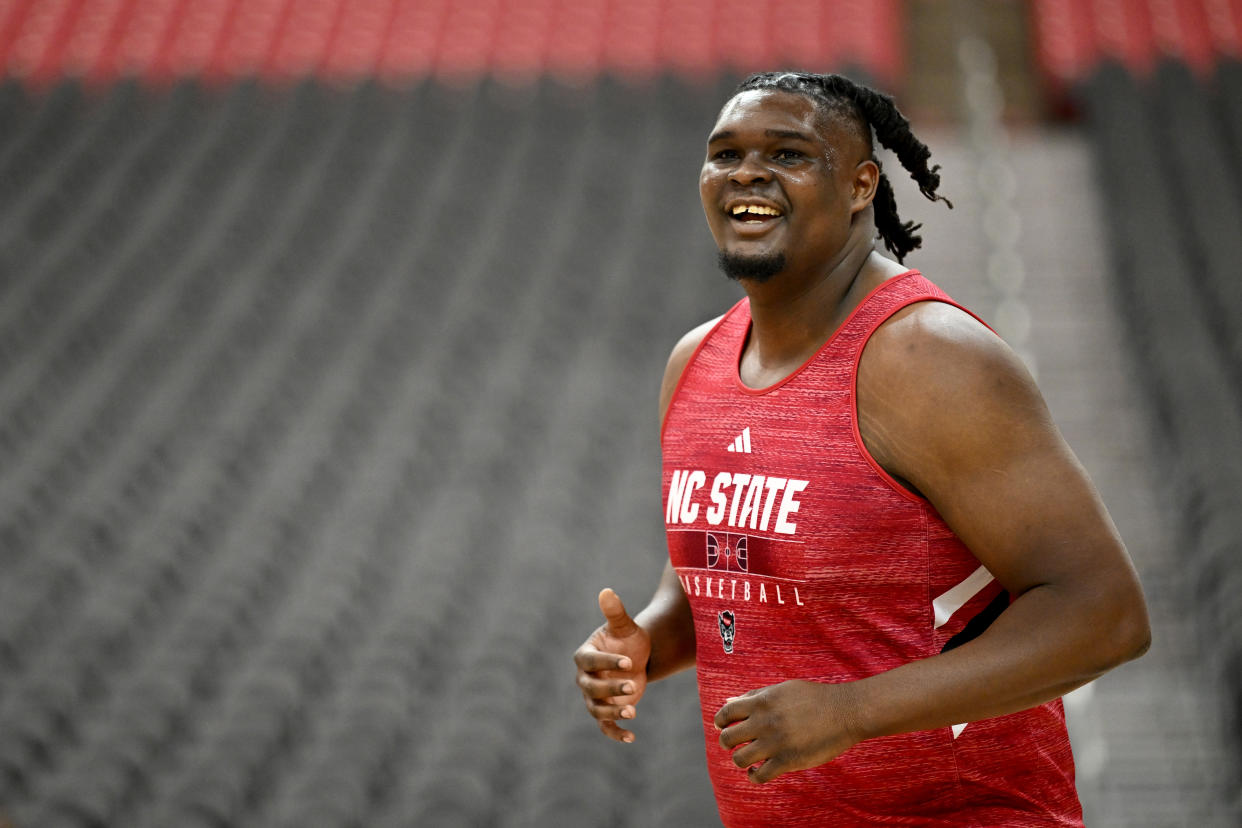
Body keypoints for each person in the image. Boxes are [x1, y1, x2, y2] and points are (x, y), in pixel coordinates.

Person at [573, 71, 1152, 826]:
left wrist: (851, 713)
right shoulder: (697, 362)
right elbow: (720, 578)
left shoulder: (927, 358)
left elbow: (1105, 614)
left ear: (860, 186)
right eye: (725, 155)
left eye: (788, 154)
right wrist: (647, 640)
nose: (747, 172)